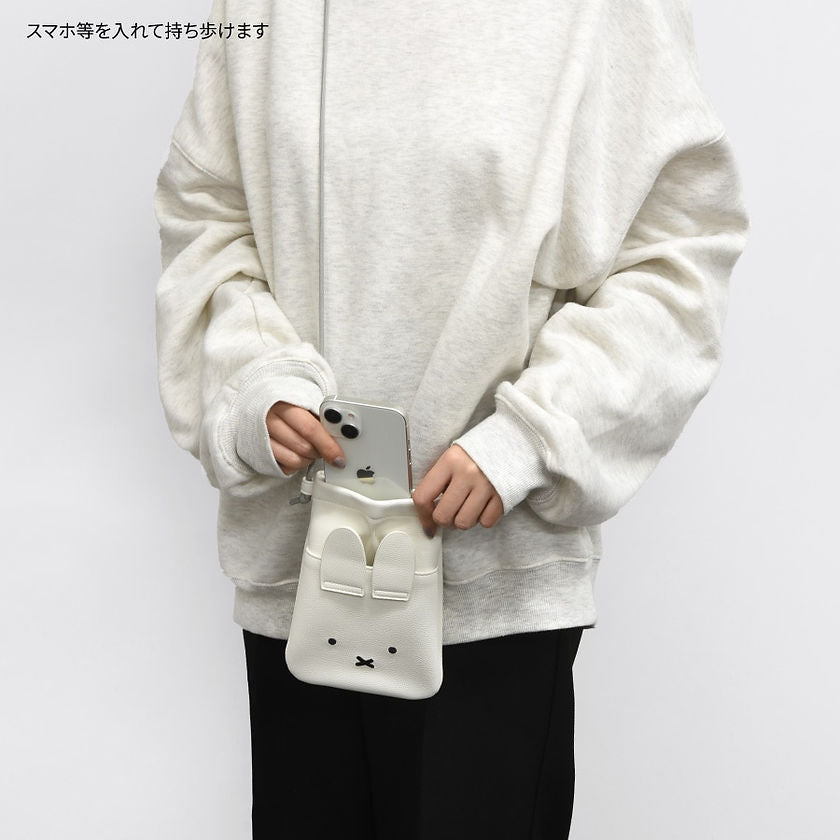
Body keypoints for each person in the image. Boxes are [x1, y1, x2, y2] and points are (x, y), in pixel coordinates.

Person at [153, 1, 749, 837]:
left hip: (492, 582)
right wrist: (257, 384)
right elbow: (208, 218)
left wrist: (530, 436)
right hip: (302, 573)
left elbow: (674, 257)